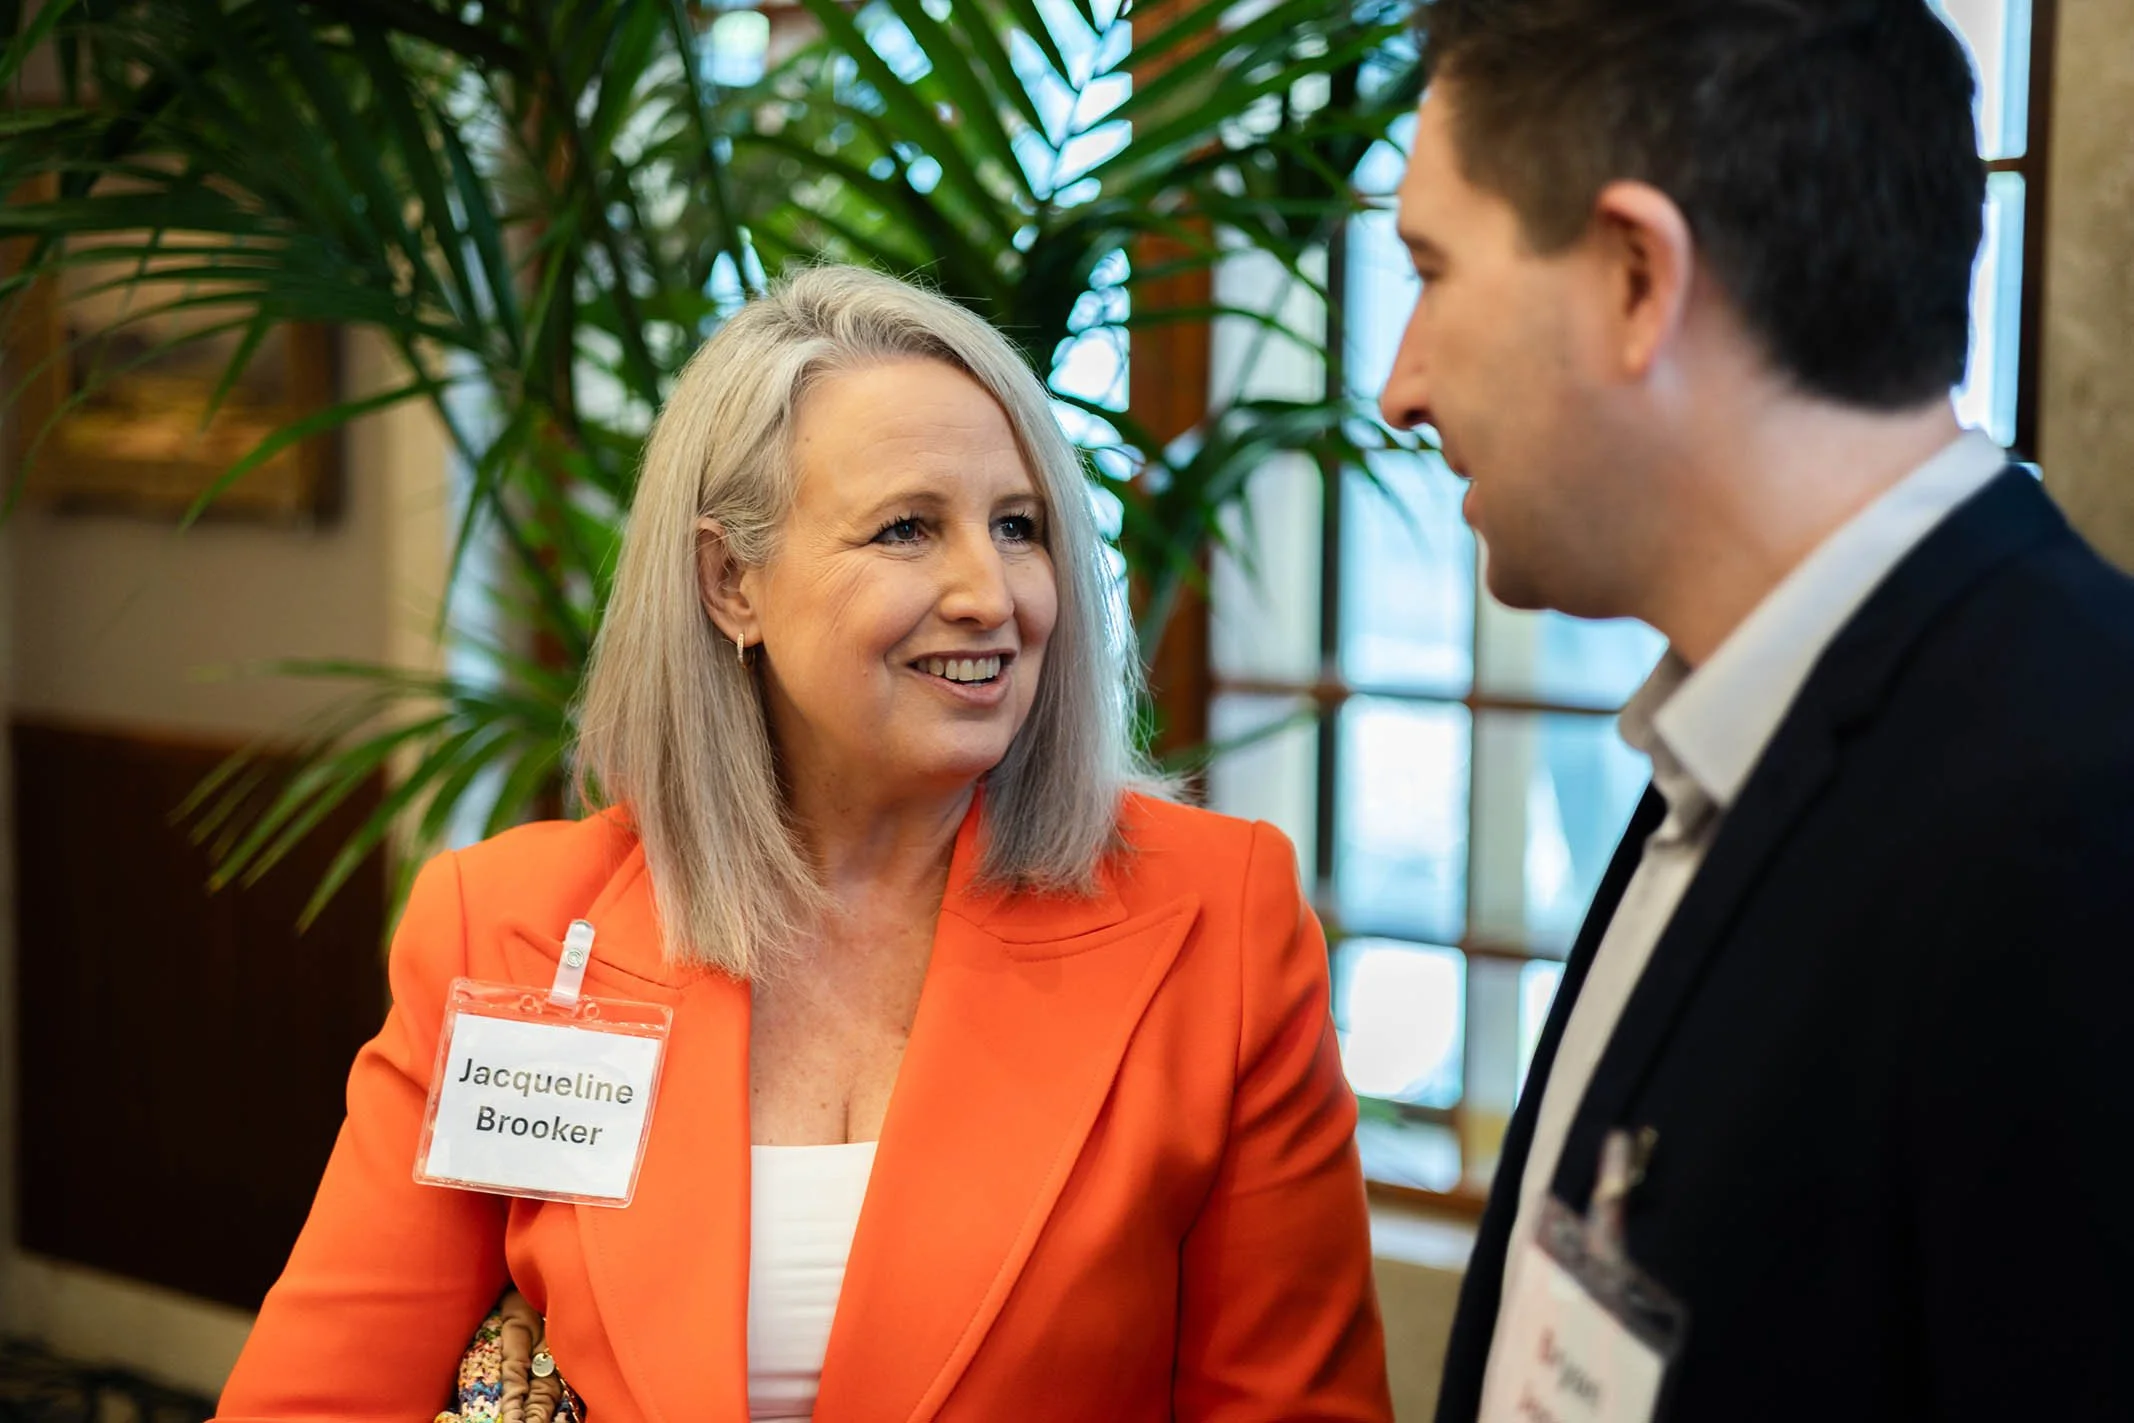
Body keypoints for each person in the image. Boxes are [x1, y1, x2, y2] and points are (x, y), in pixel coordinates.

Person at [215, 266, 1392, 1423]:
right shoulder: (513, 933)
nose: (992, 592)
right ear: (731, 582)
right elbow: (319, 1396)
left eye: (1019, 525)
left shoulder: (1220, 921)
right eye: (906, 530)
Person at [1377, 3, 2134, 1420]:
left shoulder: (2075, 811)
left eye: (1429, 270)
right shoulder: (1739, 729)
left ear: (1632, 277)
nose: (1397, 386)